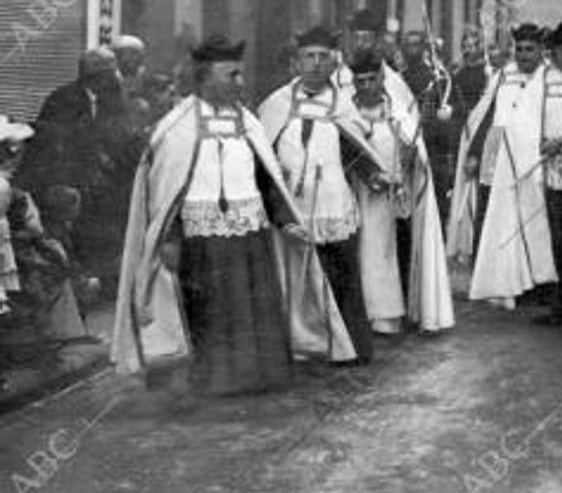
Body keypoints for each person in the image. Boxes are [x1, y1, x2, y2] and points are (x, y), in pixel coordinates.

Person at [112, 34, 356, 394]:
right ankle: (213, 382)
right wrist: (171, 238)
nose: (241, 83)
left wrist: (286, 219)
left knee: (253, 311)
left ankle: (258, 378)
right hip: (202, 244)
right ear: (206, 78)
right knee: (211, 314)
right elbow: (164, 195)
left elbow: (266, 179)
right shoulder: (176, 130)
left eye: (240, 75)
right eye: (232, 76)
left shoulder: (250, 124)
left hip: (250, 237)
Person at [468, 22, 562, 319]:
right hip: (552, 175)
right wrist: (541, 146)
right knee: (557, 238)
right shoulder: (542, 84)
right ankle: (557, 300)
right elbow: (519, 131)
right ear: (559, 52)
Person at [259, 26, 385, 364]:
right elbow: (262, 157)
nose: (316, 64)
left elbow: (355, 149)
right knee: (294, 277)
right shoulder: (276, 104)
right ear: (296, 63)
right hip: (292, 206)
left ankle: (347, 348)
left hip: (332, 203)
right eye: (309, 57)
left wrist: (372, 175)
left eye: (323, 58)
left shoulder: (343, 105)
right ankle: (298, 344)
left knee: (339, 274)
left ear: (334, 63)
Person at [348, 49, 454, 336]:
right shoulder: (345, 112)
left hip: (395, 196)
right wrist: (366, 175)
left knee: (393, 251)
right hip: (358, 194)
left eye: (372, 79)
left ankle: (392, 313)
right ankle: (362, 316)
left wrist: (408, 159)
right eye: (361, 81)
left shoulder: (397, 112)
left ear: (382, 79)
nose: (367, 86)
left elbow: (414, 151)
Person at [19, 48, 134, 299]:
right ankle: (78, 292)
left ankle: (101, 286)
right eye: (110, 73)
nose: (115, 78)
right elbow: (50, 146)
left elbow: (119, 136)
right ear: (95, 77)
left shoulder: (112, 99)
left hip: (98, 182)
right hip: (69, 182)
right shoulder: (63, 99)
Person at [448, 23, 544, 263]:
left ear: (540, 50)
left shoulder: (547, 77)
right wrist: (474, 154)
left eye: (529, 49)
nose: (523, 55)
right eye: (519, 49)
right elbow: (487, 115)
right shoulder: (503, 75)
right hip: (498, 156)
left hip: (533, 158)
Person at [1, 115, 88, 346]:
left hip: (17, 252)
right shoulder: (8, 188)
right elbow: (28, 230)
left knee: (55, 256)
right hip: (15, 258)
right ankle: (64, 335)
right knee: (53, 265)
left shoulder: (16, 186)